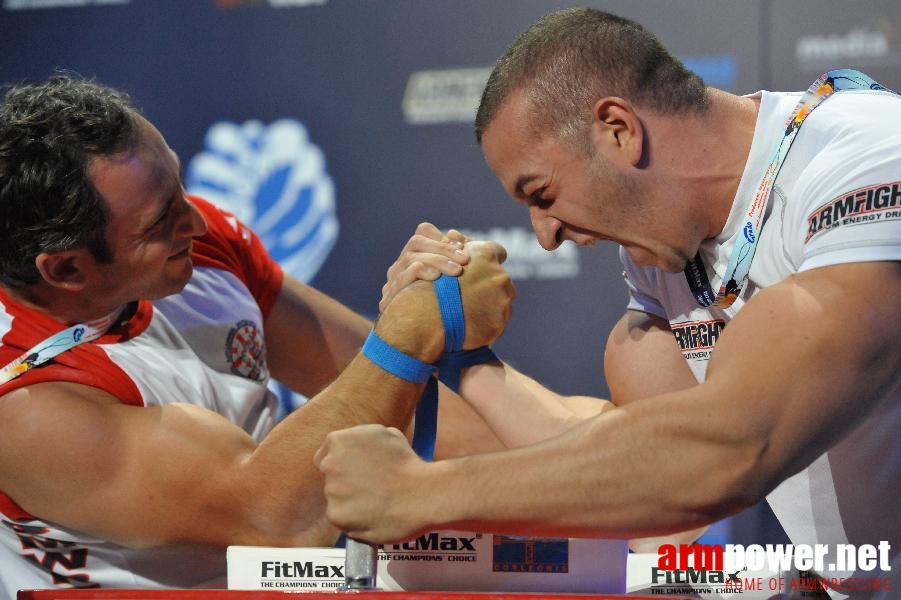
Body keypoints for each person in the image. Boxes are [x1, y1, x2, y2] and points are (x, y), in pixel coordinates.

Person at [314, 7, 901, 595]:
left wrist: (422, 493)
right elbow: (656, 476)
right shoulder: (662, 259)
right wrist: (462, 352)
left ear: (619, 129)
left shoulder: (865, 157)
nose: (544, 235)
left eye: (541, 193)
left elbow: (731, 448)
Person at [0, 74, 520, 596]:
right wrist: (413, 325)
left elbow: (404, 395)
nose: (199, 221)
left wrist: (572, 458)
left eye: (178, 187)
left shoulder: (198, 252)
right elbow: (277, 522)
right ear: (66, 270)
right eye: (161, 221)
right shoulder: (27, 407)